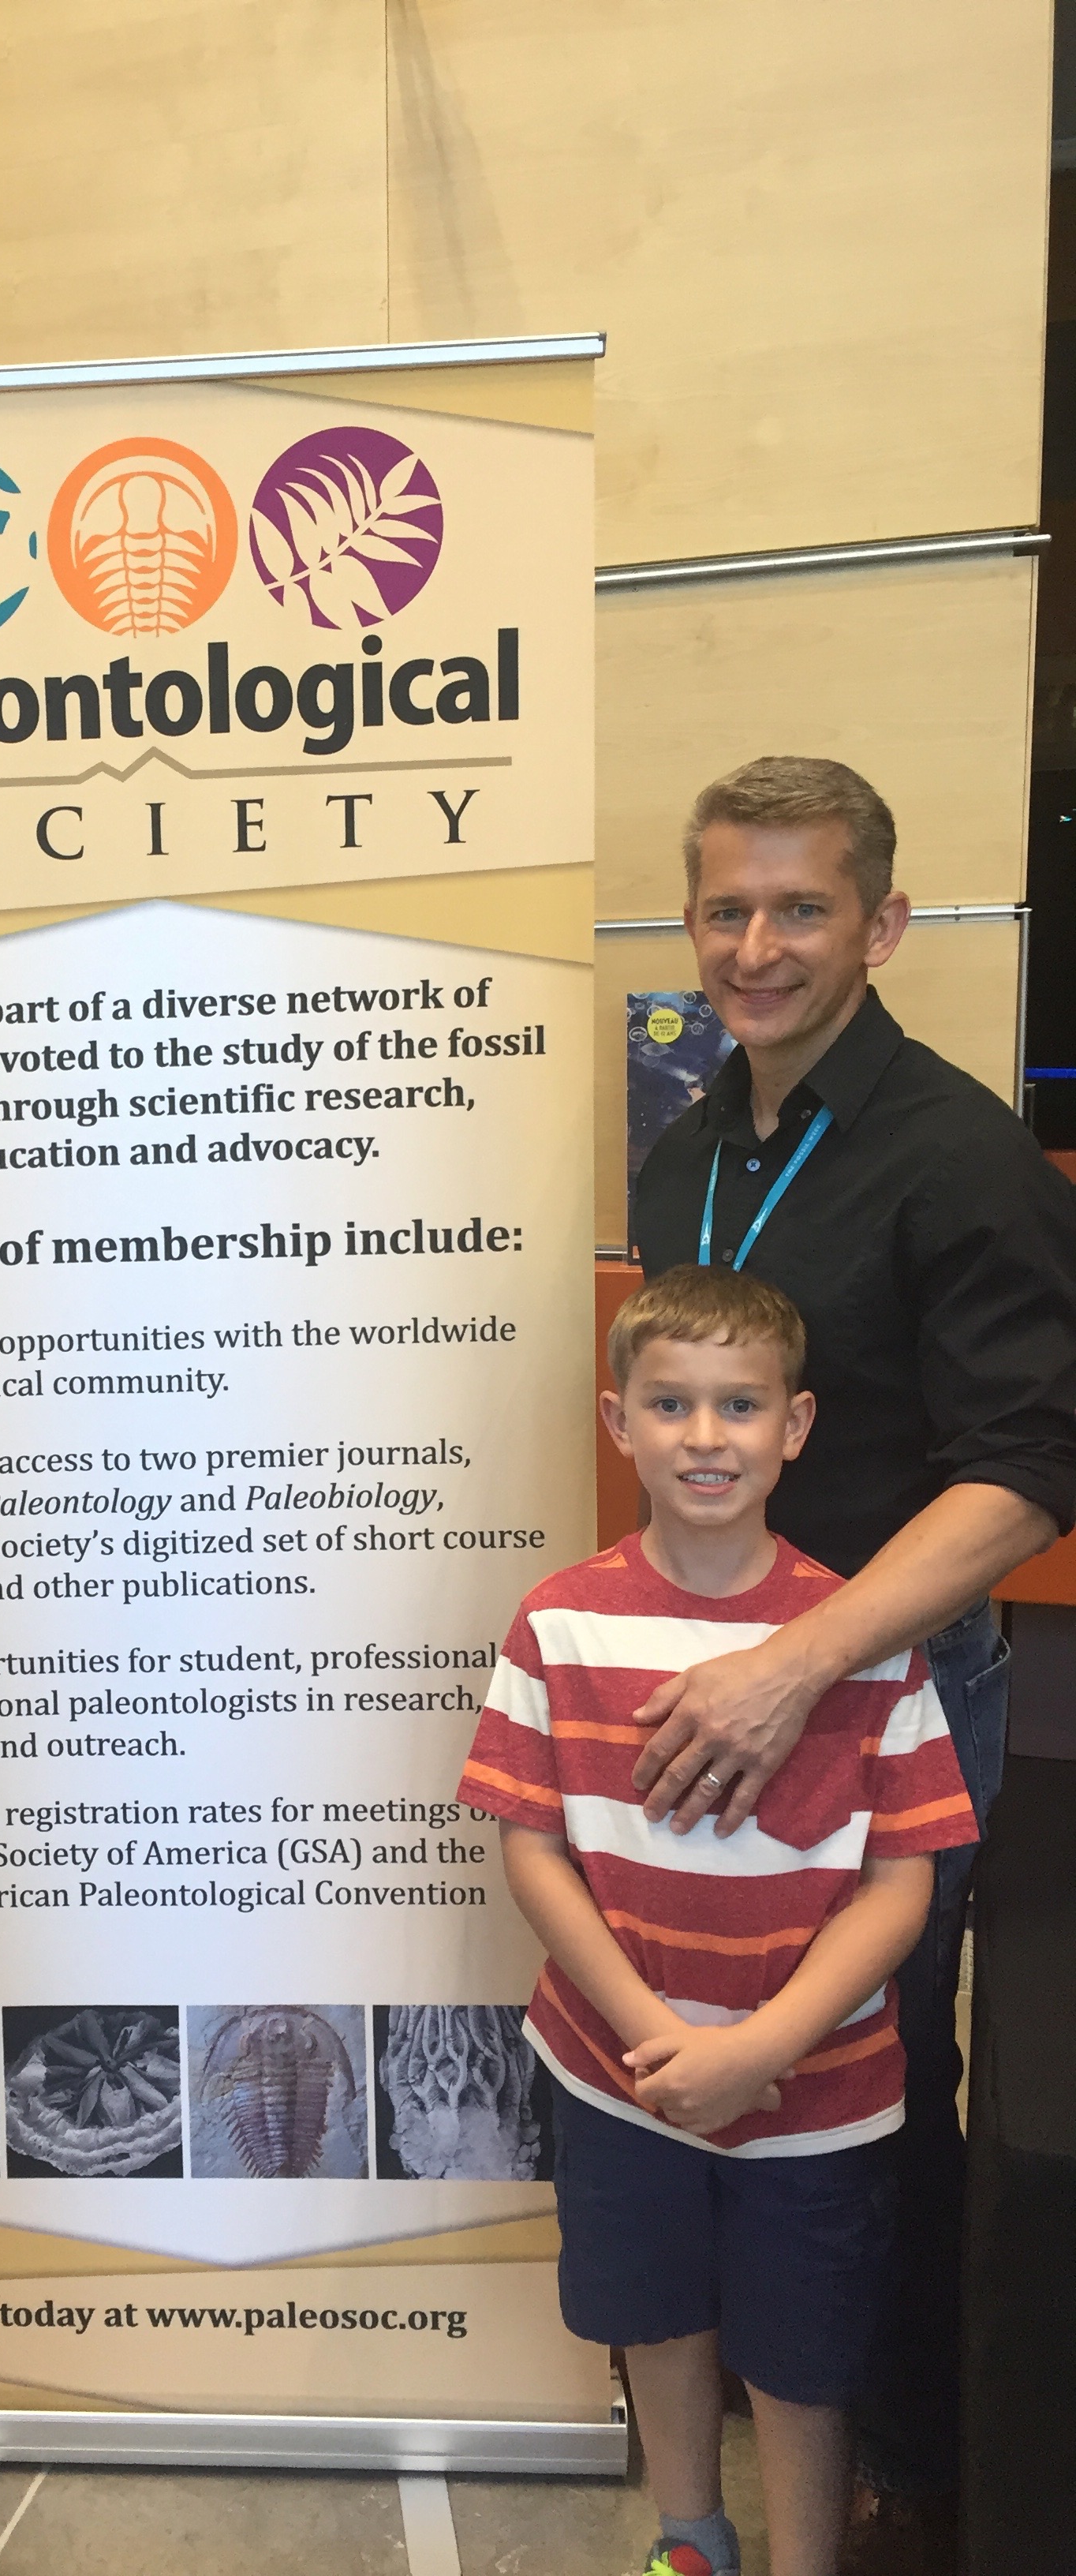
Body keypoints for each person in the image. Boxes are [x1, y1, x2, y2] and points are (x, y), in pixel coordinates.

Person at [628, 757, 1076, 2573]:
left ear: (881, 926)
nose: (757, 945)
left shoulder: (959, 1156)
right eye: (728, 907)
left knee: (869, 2065)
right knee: (707, 2007)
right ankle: (749, 2387)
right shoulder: (685, 1152)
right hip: (705, 1684)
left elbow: (1027, 1469)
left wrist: (798, 1665)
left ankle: (900, 2450)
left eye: (801, 908)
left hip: (885, 1689)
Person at [461, 1267, 976, 2576]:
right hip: (617, 2074)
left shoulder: (861, 1637)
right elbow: (534, 1851)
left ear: (794, 1426)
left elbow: (900, 1884)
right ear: (617, 1421)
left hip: (818, 2094)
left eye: (739, 1405)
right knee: (658, 2317)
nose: (706, 1436)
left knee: (806, 2357)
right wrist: (654, 2036)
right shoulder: (558, 1622)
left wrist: (763, 2047)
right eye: (671, 1403)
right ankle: (689, 2543)